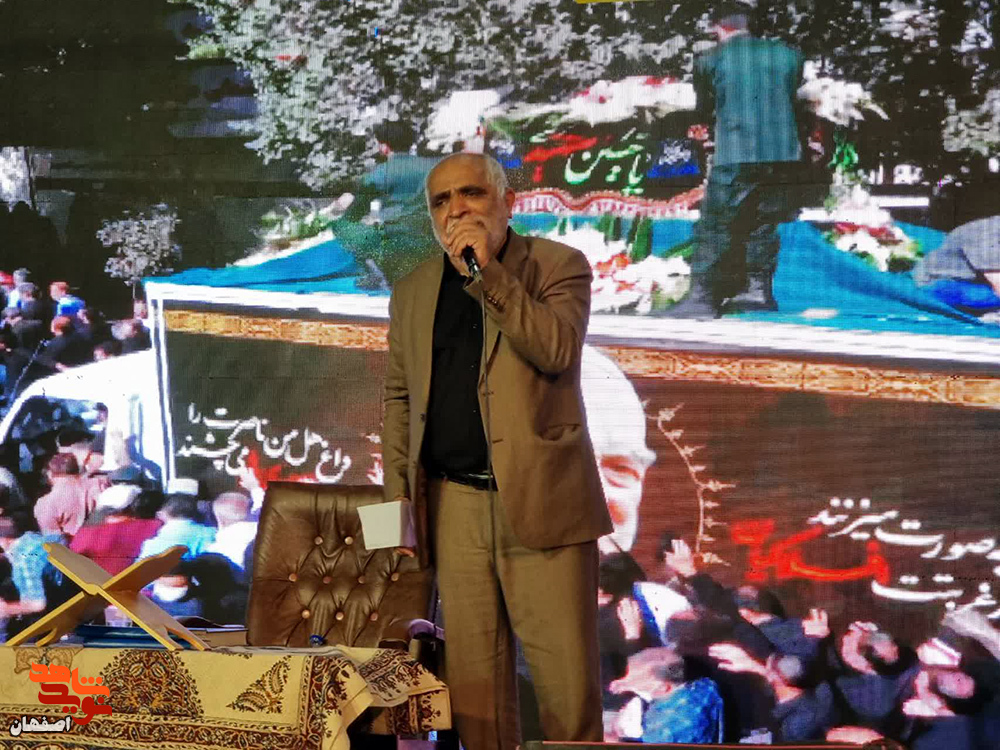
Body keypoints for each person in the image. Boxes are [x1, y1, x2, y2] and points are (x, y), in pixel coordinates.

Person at [381, 152, 612, 750]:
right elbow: (400, 403)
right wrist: (391, 522)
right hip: (451, 506)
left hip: (545, 504)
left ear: (507, 201)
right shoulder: (411, 291)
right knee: (475, 697)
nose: (457, 209)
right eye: (441, 201)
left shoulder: (559, 265)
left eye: (472, 193)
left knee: (568, 693)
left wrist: (487, 273)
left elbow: (556, 350)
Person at [672, 3, 806, 317]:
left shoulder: (710, 59)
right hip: (784, 153)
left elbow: (705, 107)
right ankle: (758, 291)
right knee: (763, 222)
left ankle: (702, 299)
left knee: (715, 222)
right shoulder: (789, 55)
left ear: (719, 27)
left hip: (737, 151)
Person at [913, 216, 1000, 316]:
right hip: (940, 282)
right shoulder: (985, 234)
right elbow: (997, 280)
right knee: (991, 297)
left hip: (974, 280)